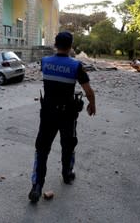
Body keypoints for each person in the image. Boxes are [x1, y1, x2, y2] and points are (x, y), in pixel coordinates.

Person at [28, 31, 96, 203]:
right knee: (68, 146)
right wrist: (92, 104)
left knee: (42, 149)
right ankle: (67, 174)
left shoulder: (45, 62)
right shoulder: (76, 66)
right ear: (71, 46)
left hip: (48, 114)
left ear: (55, 45)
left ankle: (36, 186)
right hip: (67, 115)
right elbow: (88, 91)